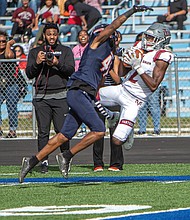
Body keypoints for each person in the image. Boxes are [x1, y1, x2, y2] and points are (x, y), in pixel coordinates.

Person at [19, 5, 153, 183]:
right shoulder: (96, 43)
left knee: (64, 136)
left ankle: (30, 161)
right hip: (78, 90)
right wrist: (132, 11)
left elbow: (106, 79)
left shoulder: (109, 55)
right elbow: (113, 26)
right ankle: (66, 156)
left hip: (85, 93)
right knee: (99, 130)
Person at [97, 22, 174, 154]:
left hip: (135, 100)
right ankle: (111, 116)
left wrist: (138, 67)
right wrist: (125, 62)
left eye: (151, 38)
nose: (147, 40)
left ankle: (128, 130)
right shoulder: (139, 46)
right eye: (147, 37)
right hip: (122, 89)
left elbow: (153, 85)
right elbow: (121, 73)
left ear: (161, 40)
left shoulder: (163, 56)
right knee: (87, 94)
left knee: (117, 141)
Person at [25, 23, 75, 173]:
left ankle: (65, 160)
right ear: (44, 35)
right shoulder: (35, 52)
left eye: (54, 34)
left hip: (61, 97)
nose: (51, 37)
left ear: (58, 35)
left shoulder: (65, 51)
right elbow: (29, 73)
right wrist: (37, 63)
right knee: (43, 131)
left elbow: (70, 70)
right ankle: (43, 161)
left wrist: (56, 63)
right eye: (49, 34)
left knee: (62, 131)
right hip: (41, 98)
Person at [93, 30, 123, 172]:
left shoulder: (115, 59)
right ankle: (97, 163)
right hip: (99, 96)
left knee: (115, 132)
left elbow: (118, 80)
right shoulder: (96, 57)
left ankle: (116, 163)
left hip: (114, 97)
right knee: (98, 131)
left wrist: (108, 69)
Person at [0, 31, 19, 138]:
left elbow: (8, 56)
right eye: (0, 41)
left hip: (11, 83)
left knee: (11, 106)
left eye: (4, 41)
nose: (2, 43)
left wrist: (8, 45)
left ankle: (12, 130)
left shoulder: (10, 51)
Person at [72, 29, 89, 137]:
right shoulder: (75, 49)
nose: (83, 37)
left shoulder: (90, 48)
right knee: (80, 104)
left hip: (88, 78)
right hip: (78, 78)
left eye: (85, 35)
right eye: (80, 35)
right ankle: (82, 129)